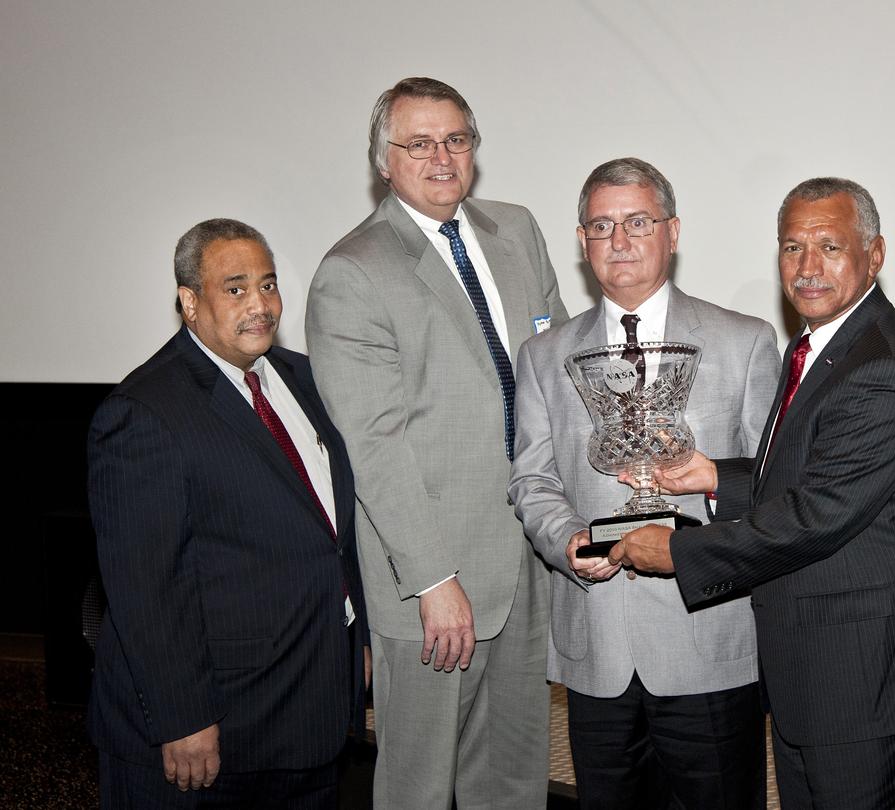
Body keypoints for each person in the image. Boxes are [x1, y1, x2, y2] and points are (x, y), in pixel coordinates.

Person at [611, 178, 895, 807]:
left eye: (830, 247)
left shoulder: (878, 368)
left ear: (874, 255)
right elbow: (811, 477)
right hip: (823, 676)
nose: (807, 269)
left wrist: (681, 552)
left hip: (871, 684)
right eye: (791, 248)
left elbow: (817, 516)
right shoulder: (821, 345)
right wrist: (715, 477)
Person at [305, 77, 567, 809]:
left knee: (514, 780)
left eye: (456, 139)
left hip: (526, 562)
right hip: (434, 583)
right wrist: (431, 580)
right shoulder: (352, 272)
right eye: (418, 143)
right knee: (421, 787)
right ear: (383, 162)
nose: (442, 156)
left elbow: (561, 367)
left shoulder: (514, 230)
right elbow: (375, 445)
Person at [508, 158, 779, 809]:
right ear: (581, 242)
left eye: (637, 222)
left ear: (672, 231)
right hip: (596, 644)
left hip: (707, 640)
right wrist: (567, 539)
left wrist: (710, 489)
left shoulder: (744, 343)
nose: (620, 241)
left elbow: (773, 486)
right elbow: (532, 476)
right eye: (601, 227)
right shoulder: (544, 357)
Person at [87, 218, 368, 808]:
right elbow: (144, 587)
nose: (260, 305)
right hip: (211, 728)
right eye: (235, 288)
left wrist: (356, 641)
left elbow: (331, 536)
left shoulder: (303, 378)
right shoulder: (144, 411)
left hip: (307, 710)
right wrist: (182, 719)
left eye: (267, 285)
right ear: (189, 302)